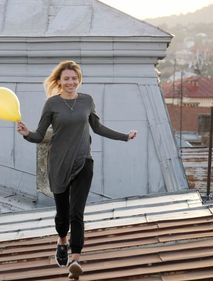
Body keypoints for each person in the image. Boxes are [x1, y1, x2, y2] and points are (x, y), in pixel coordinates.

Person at [16, 60, 136, 280]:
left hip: (83, 162)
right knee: (62, 216)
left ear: (79, 80)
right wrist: (26, 133)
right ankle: (62, 241)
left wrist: (124, 137)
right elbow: (40, 136)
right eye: (66, 78)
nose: (71, 82)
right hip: (58, 164)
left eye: (74, 78)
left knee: (76, 213)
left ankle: (76, 259)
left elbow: (97, 127)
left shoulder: (87, 101)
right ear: (59, 81)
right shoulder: (52, 104)